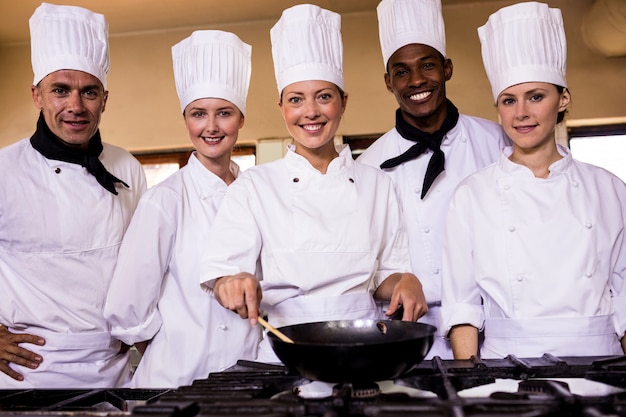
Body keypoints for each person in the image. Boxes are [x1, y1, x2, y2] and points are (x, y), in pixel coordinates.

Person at [200, 3, 427, 363]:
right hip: (284, 348)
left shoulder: (377, 184)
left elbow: (385, 274)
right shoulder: (255, 186)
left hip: (366, 345)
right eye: (296, 100)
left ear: (342, 102)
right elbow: (223, 274)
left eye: (324, 96)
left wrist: (404, 281)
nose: (311, 112)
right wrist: (230, 282)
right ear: (281, 107)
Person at [441, 1, 626, 359]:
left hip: (602, 363)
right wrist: (468, 388)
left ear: (563, 99)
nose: (521, 113)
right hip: (507, 372)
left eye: (536, 97)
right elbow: (462, 308)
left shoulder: (610, 189)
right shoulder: (472, 195)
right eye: (509, 100)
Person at [103, 30, 261, 388]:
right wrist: (176, 352)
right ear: (186, 119)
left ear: (241, 119)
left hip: (250, 378)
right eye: (198, 114)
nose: (211, 127)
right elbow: (127, 308)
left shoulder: (257, 195)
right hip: (176, 381)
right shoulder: (164, 201)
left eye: (224, 113)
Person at [0, 3, 146, 388]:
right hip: (26, 373)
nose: (76, 107)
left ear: (104, 98)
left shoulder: (126, 167)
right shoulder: (3, 170)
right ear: (37, 95)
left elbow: (143, 265)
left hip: (112, 370)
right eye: (60, 90)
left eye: (89, 92)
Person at [356, 0, 510, 359]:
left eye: (427, 65)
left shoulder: (498, 142)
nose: (417, 81)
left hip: (495, 327)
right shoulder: (368, 165)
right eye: (401, 71)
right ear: (387, 81)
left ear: (447, 68)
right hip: (406, 335)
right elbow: (364, 265)